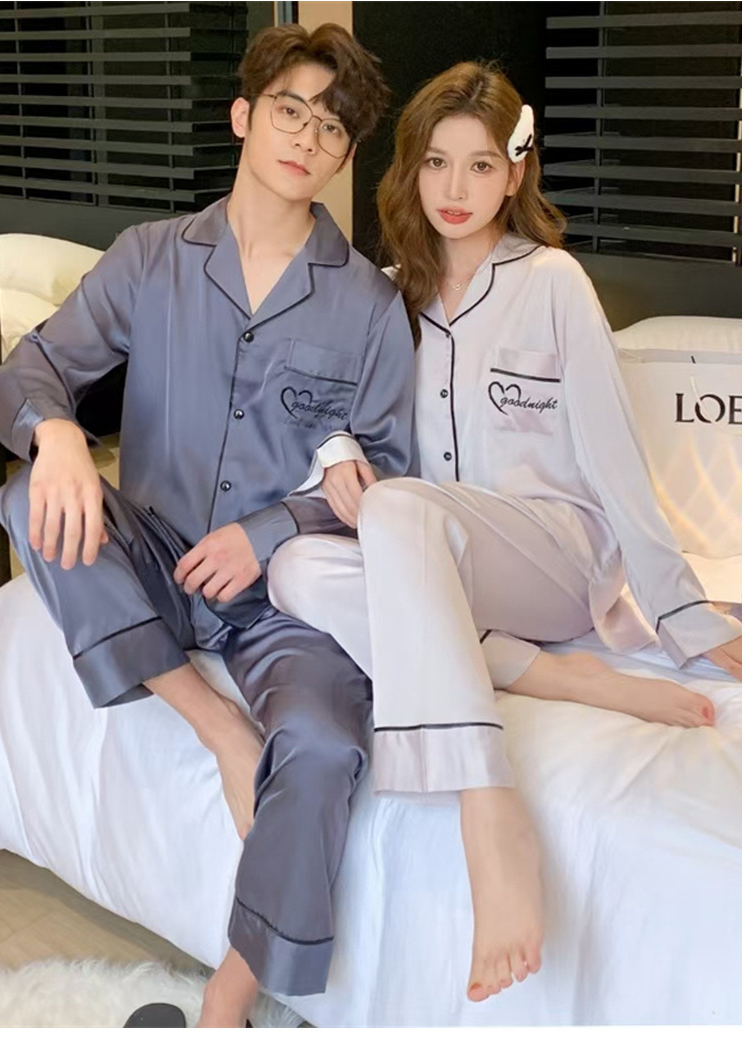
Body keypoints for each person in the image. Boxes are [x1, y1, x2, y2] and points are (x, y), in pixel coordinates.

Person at [267, 61, 743, 1006]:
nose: (456, 189)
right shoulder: (390, 298)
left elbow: (616, 461)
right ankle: (542, 673)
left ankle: (488, 810)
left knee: (400, 510)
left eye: (481, 166)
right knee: (292, 567)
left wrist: (684, 617)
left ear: (515, 172)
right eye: (436, 163)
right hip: (444, 564)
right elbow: (325, 411)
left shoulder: (553, 282)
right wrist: (337, 454)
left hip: (559, 558)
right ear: (411, 168)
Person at [0, 24, 417, 1028]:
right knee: (26, 497)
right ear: (243, 115)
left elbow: (392, 472)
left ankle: (231, 1001)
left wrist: (267, 532)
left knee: (322, 747)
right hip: (153, 555)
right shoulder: (150, 258)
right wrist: (56, 432)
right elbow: (26, 371)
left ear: (345, 154)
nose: (306, 136)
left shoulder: (366, 305)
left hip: (285, 603)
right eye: (289, 110)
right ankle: (212, 721)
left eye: (332, 126)